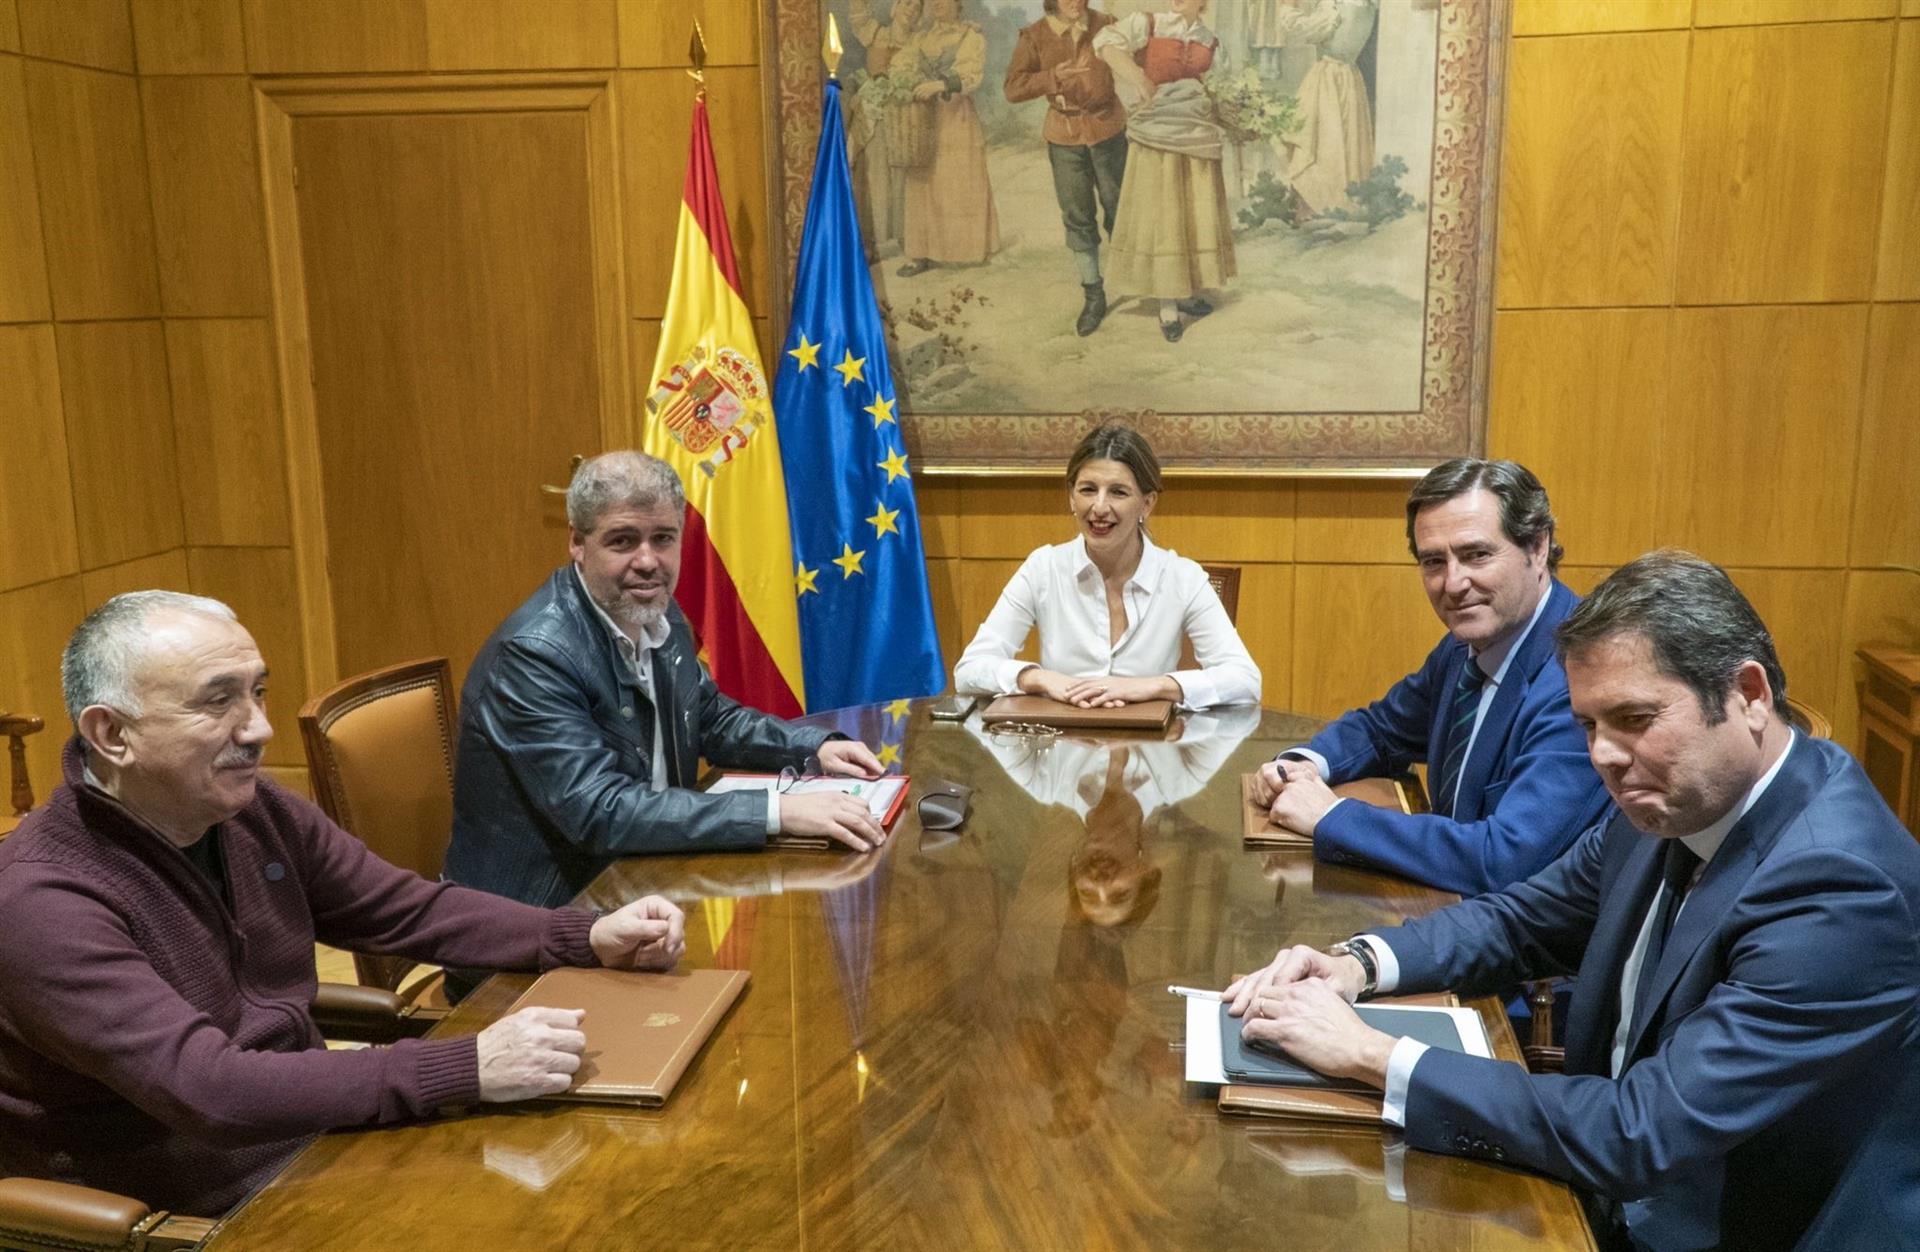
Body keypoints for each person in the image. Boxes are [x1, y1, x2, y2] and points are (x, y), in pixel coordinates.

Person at [1227, 551, 1920, 1252]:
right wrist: (1357, 964)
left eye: (1634, 717)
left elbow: (1641, 1132)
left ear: (1749, 694)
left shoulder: (1840, 888)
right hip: (1622, 1188)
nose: (1604, 756)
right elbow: (1524, 920)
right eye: (1589, 725)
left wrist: (1372, 1055)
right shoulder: (1674, 797)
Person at [0, 592, 690, 1216]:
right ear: (111, 735)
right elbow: (209, 1089)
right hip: (200, 1209)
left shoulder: (249, 809)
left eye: (258, 692)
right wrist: (467, 1066)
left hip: (320, 1142)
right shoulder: (41, 900)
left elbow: (405, 909)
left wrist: (583, 936)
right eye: (218, 702)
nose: (258, 729)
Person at [444, 451, 886, 912]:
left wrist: (811, 748)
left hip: (645, 882)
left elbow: (711, 719)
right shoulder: (533, 656)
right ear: (577, 541)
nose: (648, 561)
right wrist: (776, 811)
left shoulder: (656, 612)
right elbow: (600, 810)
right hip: (541, 920)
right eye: (622, 541)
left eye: (663, 538)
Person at [1249, 458, 1608, 896]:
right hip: (1447, 907)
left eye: (1476, 555)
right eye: (1434, 561)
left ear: (1537, 547)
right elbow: (1382, 730)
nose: (1453, 584)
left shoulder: (1582, 675)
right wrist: (1303, 765)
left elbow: (1503, 859)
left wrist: (1331, 816)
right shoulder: (1463, 646)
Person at [953, 422, 1259, 710]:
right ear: (1071, 498)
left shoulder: (1182, 577)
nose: (1099, 507)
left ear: (1147, 503)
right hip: (1062, 742)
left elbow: (1245, 680)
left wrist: (1151, 686)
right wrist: (1039, 679)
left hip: (1151, 746)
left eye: (1118, 492)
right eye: (1088, 489)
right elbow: (970, 670)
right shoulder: (1043, 568)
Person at [1094, 0, 1235, 343]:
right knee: (1164, 217)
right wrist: (1139, 78)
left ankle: (1185, 291)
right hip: (1156, 132)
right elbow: (1105, 43)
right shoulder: (1149, 23)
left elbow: (1221, 88)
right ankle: (1167, 304)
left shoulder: (1210, 40)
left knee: (1192, 216)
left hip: (1196, 135)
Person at [1003, 0, 1129, 337]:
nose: (1076, 1)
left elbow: (1138, 60)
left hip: (1108, 129)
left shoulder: (1107, 23)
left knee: (1121, 207)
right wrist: (1051, 78)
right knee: (1077, 214)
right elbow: (1012, 88)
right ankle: (1094, 294)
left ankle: (1137, 279)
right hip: (1065, 135)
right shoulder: (1034, 36)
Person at [893, 0, 1001, 277]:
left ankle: (965, 251)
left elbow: (972, 75)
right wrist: (904, 80)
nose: (937, 4)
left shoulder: (971, 36)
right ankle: (920, 253)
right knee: (922, 182)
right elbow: (901, 63)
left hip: (957, 118)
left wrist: (939, 85)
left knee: (958, 181)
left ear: (958, 4)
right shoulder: (921, 38)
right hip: (922, 120)